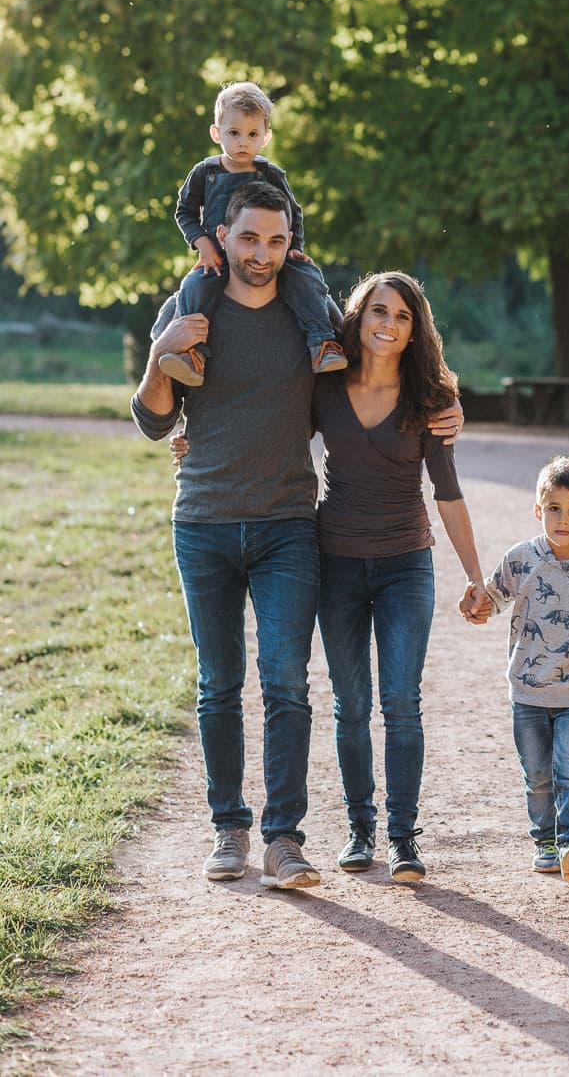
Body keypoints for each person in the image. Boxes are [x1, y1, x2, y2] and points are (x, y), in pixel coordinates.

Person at [134, 182, 464, 890]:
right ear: (221, 234)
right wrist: (160, 351)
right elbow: (155, 419)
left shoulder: (306, 315)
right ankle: (230, 828)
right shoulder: (190, 305)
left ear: (292, 241)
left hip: (289, 525)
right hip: (203, 524)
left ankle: (285, 839)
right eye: (248, 238)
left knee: (286, 684)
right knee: (219, 684)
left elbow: (382, 367)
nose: (262, 253)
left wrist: (444, 409)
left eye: (276, 240)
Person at [313, 271, 488, 885]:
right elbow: (264, 432)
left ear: (416, 331)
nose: (388, 324)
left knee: (400, 703)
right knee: (350, 704)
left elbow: (448, 493)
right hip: (334, 562)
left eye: (402, 316)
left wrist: (475, 576)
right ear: (358, 317)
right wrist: (193, 438)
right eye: (377, 312)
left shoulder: (430, 401)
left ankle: (402, 838)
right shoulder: (325, 384)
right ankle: (359, 829)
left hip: (405, 566)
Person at [476, 456, 569, 883]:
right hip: (527, 690)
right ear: (538, 509)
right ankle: (545, 839)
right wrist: (477, 607)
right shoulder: (521, 559)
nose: (563, 519)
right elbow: (492, 598)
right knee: (538, 774)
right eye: (554, 508)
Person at [159, 79, 346, 388]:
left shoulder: (270, 173)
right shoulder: (206, 173)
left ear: (266, 138)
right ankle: (192, 354)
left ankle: (322, 343)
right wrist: (201, 242)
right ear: (216, 133)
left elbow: (293, 213)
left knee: (307, 277)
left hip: (269, 253)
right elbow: (184, 212)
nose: (242, 142)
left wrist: (293, 247)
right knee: (193, 286)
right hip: (218, 257)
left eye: (252, 135)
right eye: (233, 133)